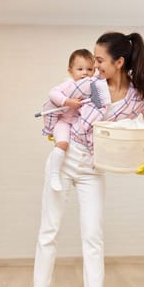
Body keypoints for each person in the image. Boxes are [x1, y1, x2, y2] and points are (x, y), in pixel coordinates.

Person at [32, 31, 144, 287]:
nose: (95, 67)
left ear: (119, 62)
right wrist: (49, 130)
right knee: (49, 231)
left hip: (93, 169)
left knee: (93, 237)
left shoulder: (138, 96)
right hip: (66, 157)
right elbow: (53, 103)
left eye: (100, 61)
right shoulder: (92, 85)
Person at [42, 49, 95, 190]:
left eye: (89, 69)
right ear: (70, 71)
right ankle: (54, 174)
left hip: (78, 124)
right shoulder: (69, 84)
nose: (85, 73)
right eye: (80, 69)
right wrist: (67, 101)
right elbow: (52, 93)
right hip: (64, 122)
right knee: (62, 144)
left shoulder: (91, 86)